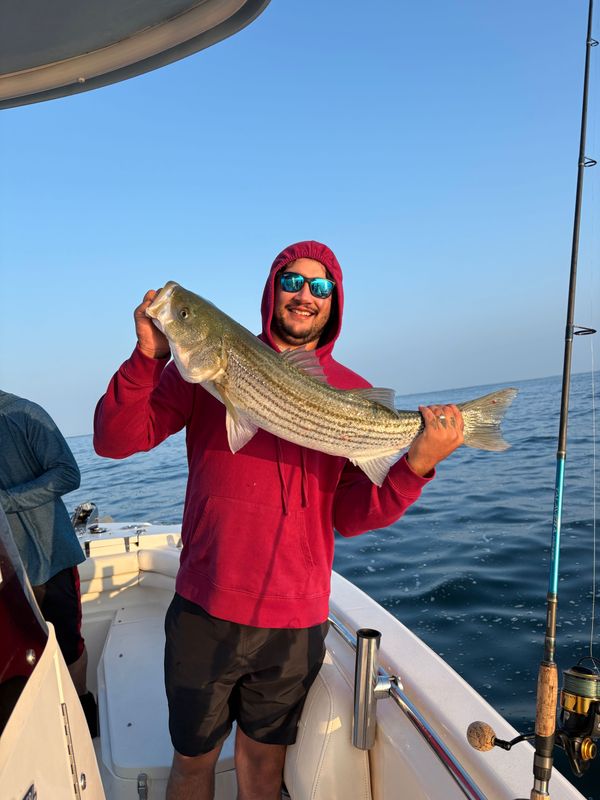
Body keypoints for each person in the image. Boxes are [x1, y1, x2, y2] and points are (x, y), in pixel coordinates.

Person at [93, 240, 464, 800]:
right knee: (192, 762)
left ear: (334, 301)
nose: (305, 295)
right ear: (273, 289)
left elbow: (351, 516)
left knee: (264, 768)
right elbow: (113, 440)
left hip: (295, 619)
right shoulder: (199, 374)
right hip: (204, 607)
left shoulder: (351, 391)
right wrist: (149, 356)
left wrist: (415, 465)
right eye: (293, 281)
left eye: (320, 287)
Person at [0, 390, 97, 735]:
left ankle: (84, 716)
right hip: (6, 574)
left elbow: (68, 474)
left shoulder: (23, 414)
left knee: (68, 644)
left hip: (48, 560)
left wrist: (6, 500)